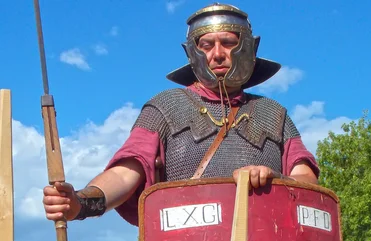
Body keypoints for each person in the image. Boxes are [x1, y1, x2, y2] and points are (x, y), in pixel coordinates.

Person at [42, 3, 319, 225]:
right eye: (206, 45)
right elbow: (126, 172)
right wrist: (80, 203)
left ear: (250, 47)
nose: (218, 54)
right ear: (191, 52)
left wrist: (275, 179)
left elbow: (307, 180)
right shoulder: (164, 108)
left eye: (229, 42)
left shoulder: (274, 114)